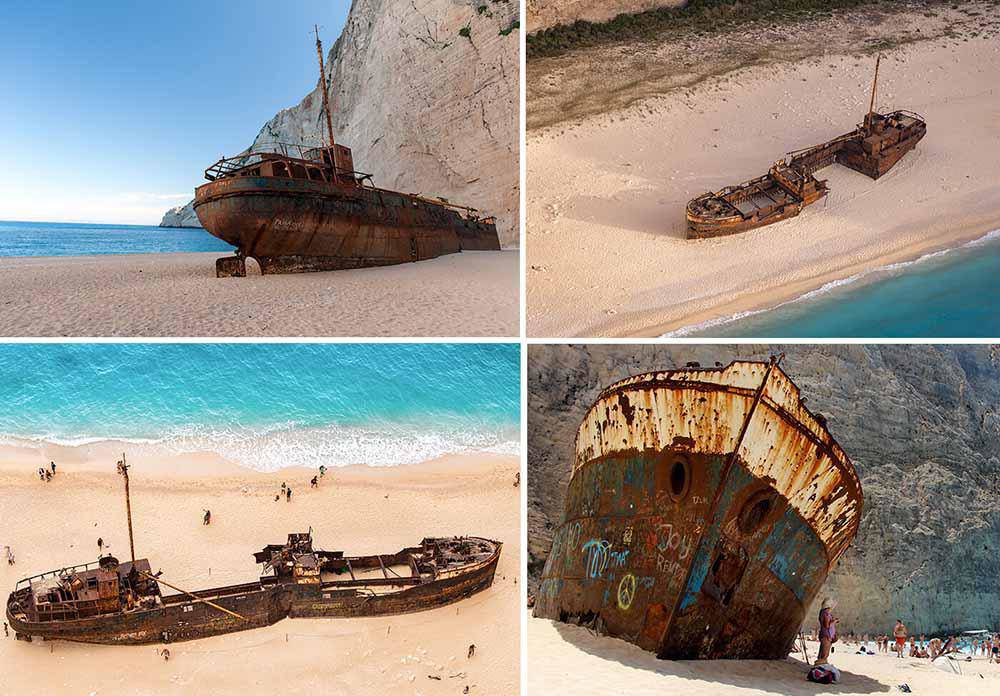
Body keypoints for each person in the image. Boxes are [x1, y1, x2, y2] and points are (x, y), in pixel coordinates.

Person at [816, 597, 838, 665]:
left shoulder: (823, 612)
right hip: (826, 635)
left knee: (822, 654)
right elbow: (827, 626)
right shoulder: (825, 613)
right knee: (825, 655)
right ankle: (819, 670)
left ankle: (818, 669)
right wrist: (834, 621)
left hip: (826, 634)